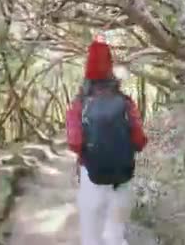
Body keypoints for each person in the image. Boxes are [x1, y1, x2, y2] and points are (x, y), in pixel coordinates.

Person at [66, 35, 148, 245]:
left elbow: (74, 142)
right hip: (121, 180)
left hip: (91, 178)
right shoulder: (125, 102)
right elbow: (140, 140)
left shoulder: (79, 104)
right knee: (116, 237)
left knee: (92, 239)